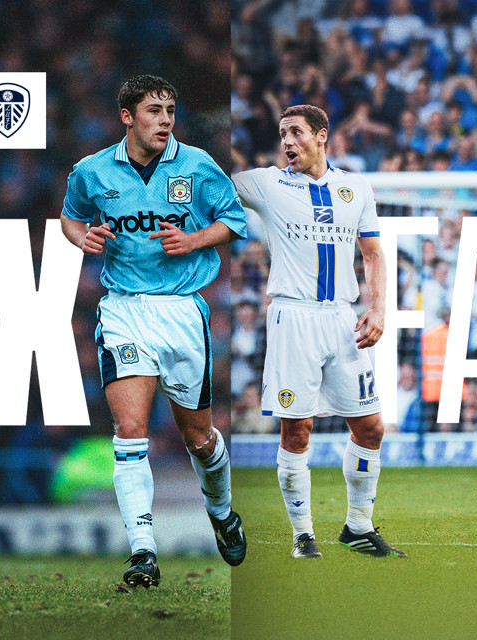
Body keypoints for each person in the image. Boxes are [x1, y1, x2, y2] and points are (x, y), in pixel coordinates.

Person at [60, 75, 248, 586]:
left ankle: (222, 511)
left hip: (182, 312)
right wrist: (85, 237)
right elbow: (70, 217)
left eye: (170, 109)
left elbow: (235, 222)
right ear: (128, 116)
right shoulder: (92, 171)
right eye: (153, 110)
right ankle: (143, 551)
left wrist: (194, 240)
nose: (165, 119)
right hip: (123, 310)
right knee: (129, 431)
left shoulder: (197, 166)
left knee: (200, 438)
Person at [233, 104, 405, 559]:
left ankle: (358, 525)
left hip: (342, 319)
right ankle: (303, 534)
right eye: (282, 134)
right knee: (298, 431)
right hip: (293, 317)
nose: (287, 141)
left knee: (371, 427)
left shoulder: (355, 187)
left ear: (322, 135)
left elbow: (372, 254)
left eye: (296, 132)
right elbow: (215, 177)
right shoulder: (267, 183)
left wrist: (379, 309)